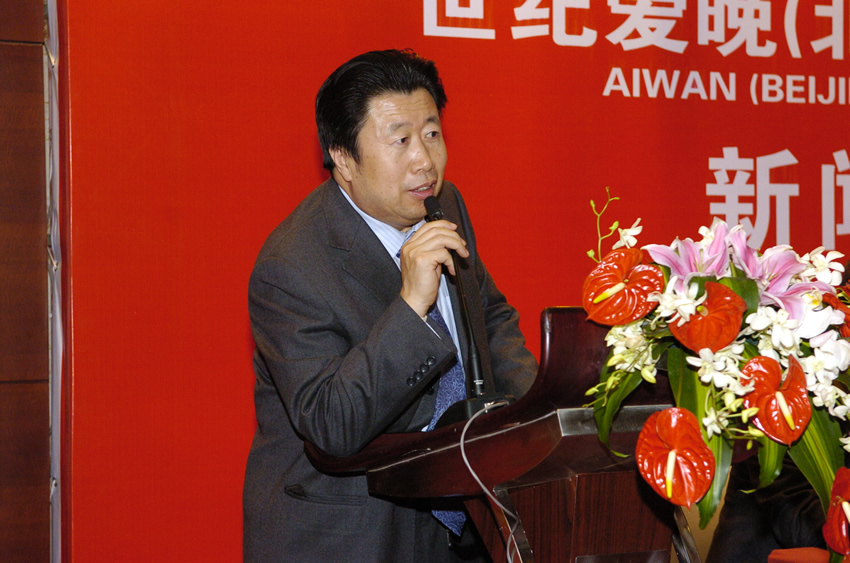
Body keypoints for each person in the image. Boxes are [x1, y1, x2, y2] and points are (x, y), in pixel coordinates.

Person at [243, 49, 538, 562]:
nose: (424, 160)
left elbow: (488, 317)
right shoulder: (290, 267)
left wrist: (533, 419)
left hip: (468, 514)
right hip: (353, 531)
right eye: (400, 141)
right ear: (343, 157)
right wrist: (411, 306)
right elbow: (332, 424)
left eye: (432, 133)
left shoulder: (444, 203)